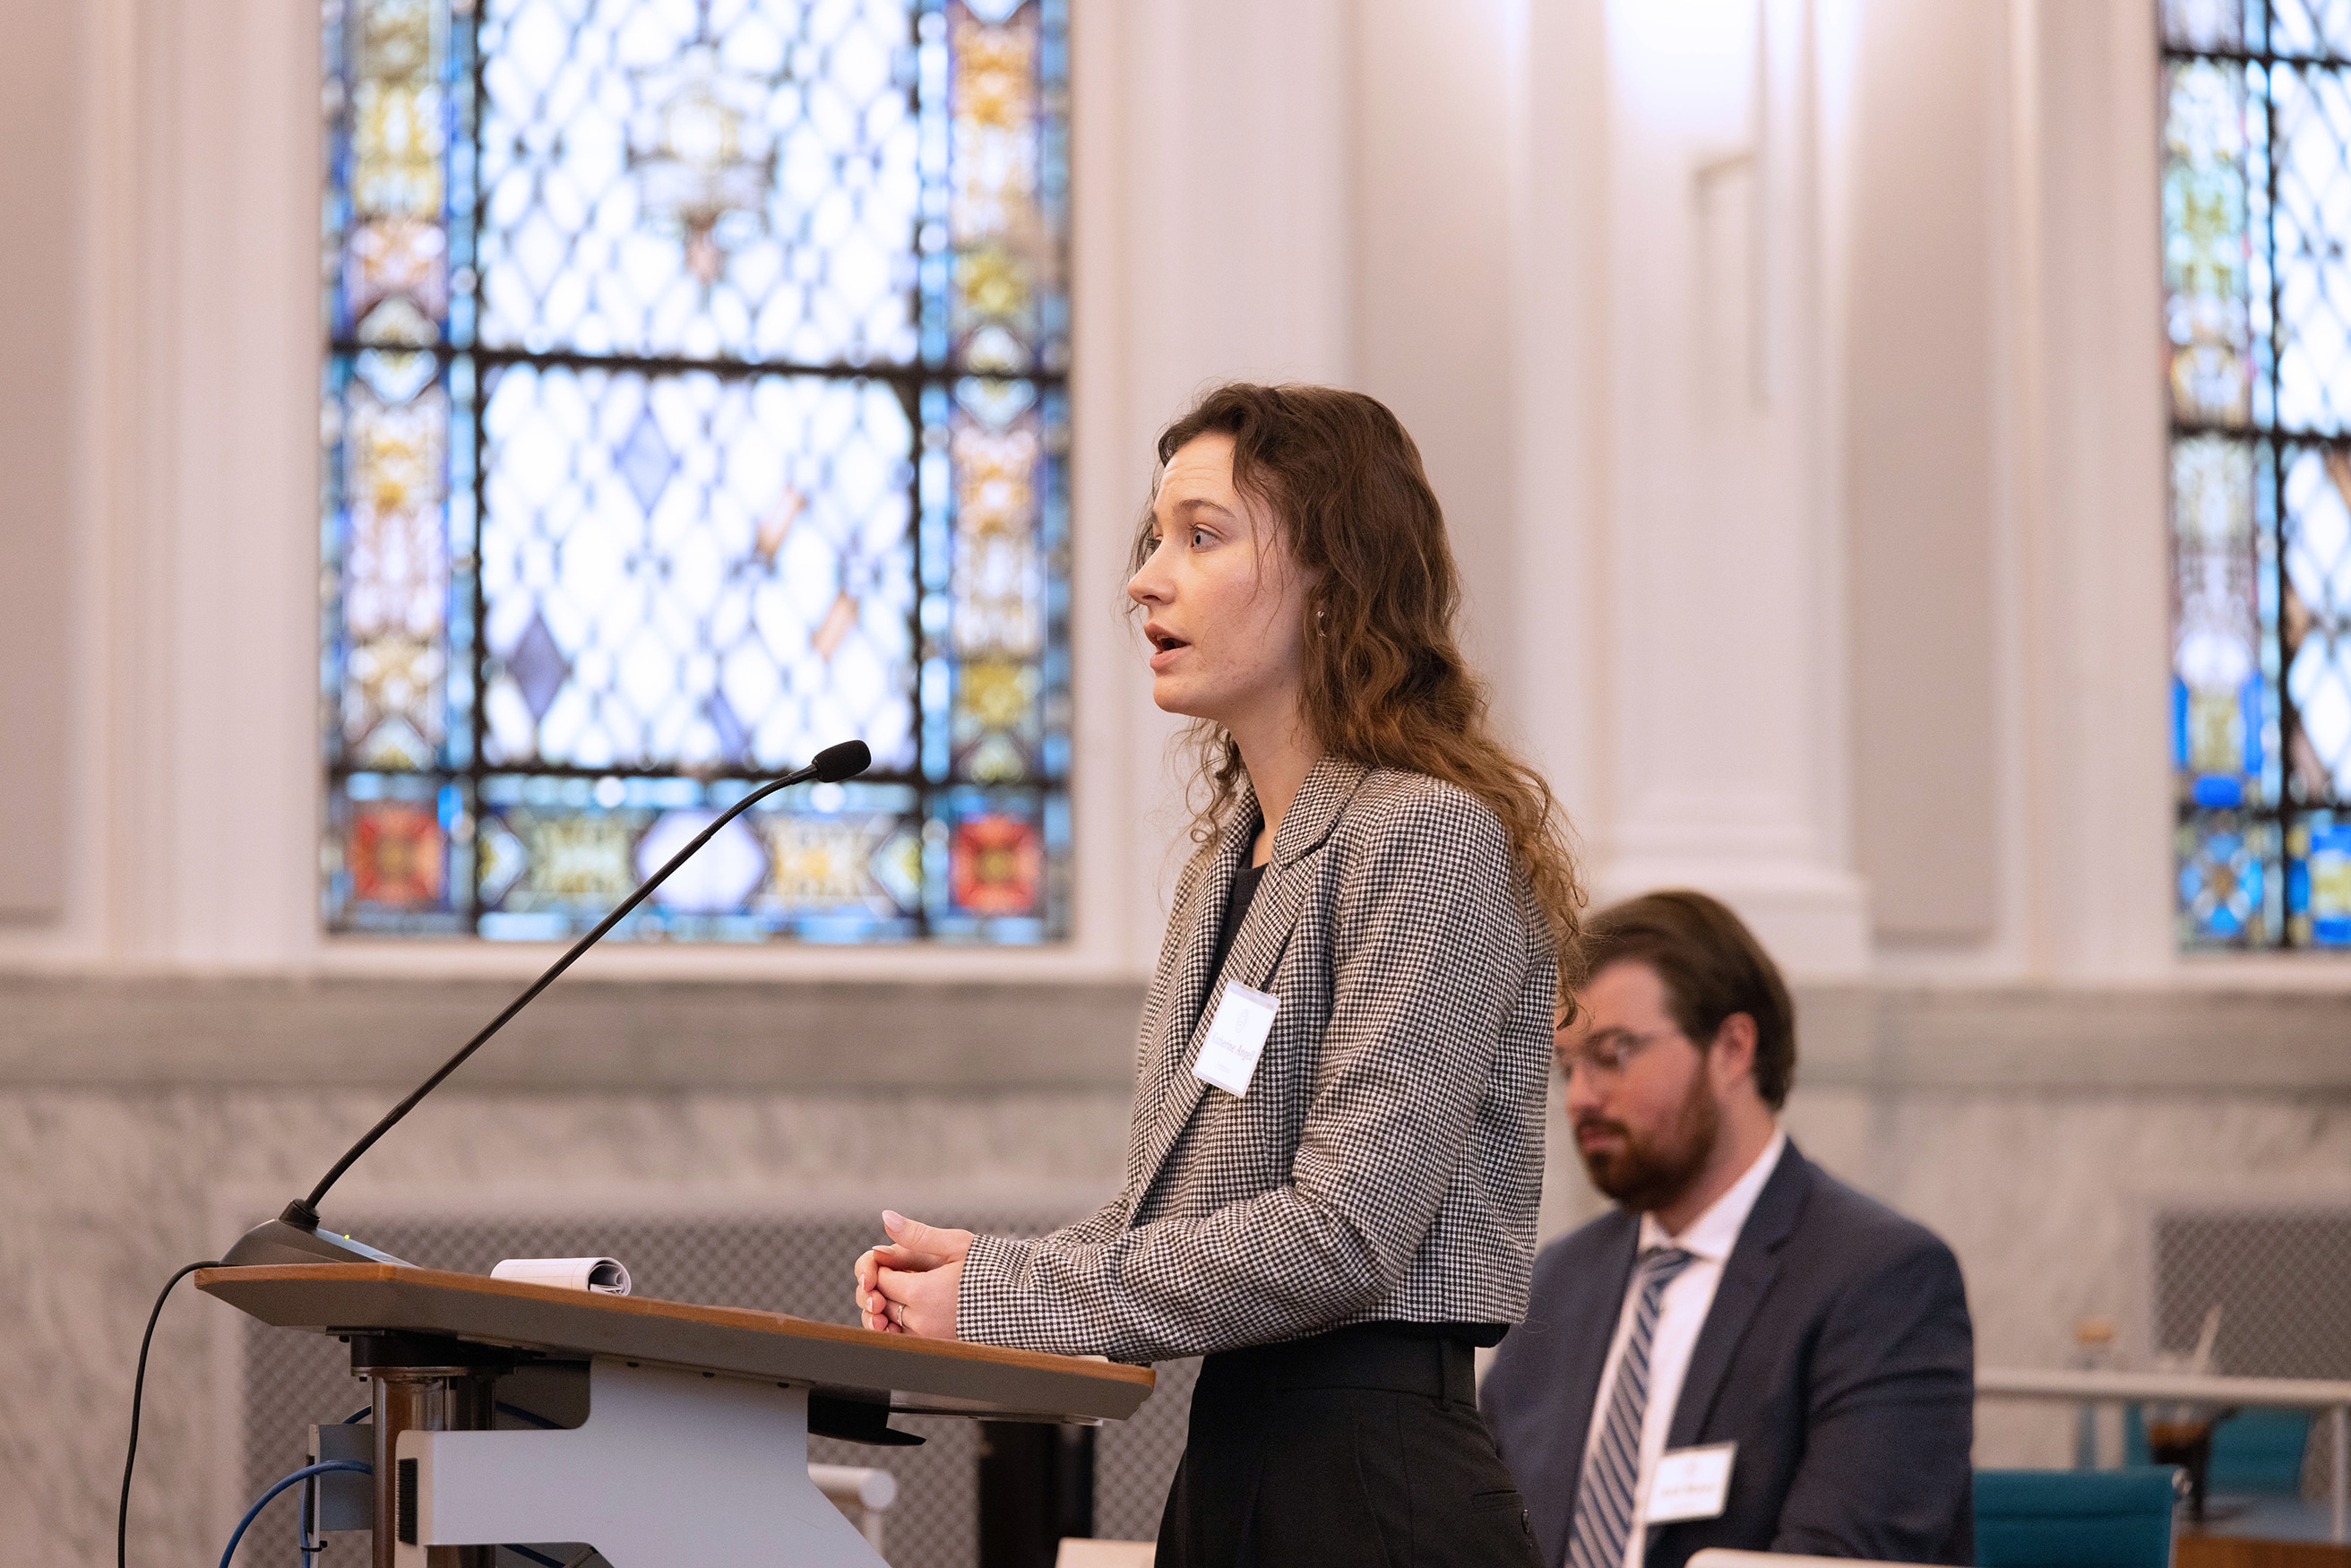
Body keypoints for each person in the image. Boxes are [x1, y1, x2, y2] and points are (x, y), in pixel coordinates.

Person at [851, 383, 1584, 1564]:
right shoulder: (1230, 865)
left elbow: (1346, 1233)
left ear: (1334, 575)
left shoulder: (1429, 836)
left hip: (1377, 1474)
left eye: (1202, 535)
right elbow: (1186, 1213)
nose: (1145, 577)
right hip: (1233, 1451)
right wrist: (983, 1272)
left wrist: (1009, 1290)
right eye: (1154, 538)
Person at [1479, 890, 1976, 1568]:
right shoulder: (1559, 1283)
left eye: (1614, 1054)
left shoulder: (1882, 1280)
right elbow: (1479, 1526)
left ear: (1733, 1047)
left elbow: (1842, 1557)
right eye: (1568, 1067)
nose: (1580, 1098)